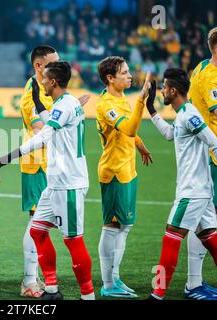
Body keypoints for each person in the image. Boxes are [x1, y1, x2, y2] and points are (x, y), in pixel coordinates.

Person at [0, 61, 95, 300]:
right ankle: (51, 289)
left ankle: (88, 295)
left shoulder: (65, 105)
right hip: (56, 184)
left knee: (73, 241)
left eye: (45, 79)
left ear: (54, 82)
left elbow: (42, 137)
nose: (42, 81)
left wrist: (3, 159)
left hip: (69, 184)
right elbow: (49, 118)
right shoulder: (66, 103)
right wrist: (38, 99)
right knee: (38, 232)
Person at [146, 68, 217, 300]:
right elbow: (170, 134)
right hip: (201, 191)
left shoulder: (188, 114)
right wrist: (151, 110)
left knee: (171, 237)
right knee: (211, 239)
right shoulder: (184, 114)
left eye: (165, 87)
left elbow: (215, 143)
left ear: (173, 90)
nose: (163, 90)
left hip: (192, 192)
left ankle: (157, 294)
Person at [95, 56, 153, 298]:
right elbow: (128, 128)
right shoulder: (106, 104)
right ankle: (108, 283)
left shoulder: (119, 99)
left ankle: (115, 277)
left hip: (128, 170)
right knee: (112, 225)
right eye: (125, 72)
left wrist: (139, 144)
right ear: (110, 78)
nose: (130, 76)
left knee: (125, 227)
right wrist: (141, 100)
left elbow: (130, 133)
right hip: (114, 172)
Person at [185, 25, 217, 299]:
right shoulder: (213, 78)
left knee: (207, 218)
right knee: (205, 219)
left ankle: (196, 282)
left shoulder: (203, 67)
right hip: (209, 157)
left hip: (211, 155)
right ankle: (193, 284)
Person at [17, 45, 59, 298]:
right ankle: (29, 281)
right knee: (37, 223)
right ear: (38, 66)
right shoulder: (30, 94)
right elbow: (40, 129)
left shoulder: (46, 90)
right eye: (53, 62)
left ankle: (36, 277)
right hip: (36, 165)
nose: (58, 65)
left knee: (43, 224)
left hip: (48, 164)